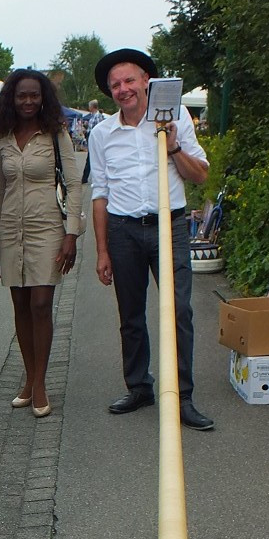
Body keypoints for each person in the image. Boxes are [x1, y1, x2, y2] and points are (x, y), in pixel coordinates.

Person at [88, 48, 213, 430]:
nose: (124, 89)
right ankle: (139, 387)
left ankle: (182, 396)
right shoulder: (102, 133)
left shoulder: (175, 119)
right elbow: (100, 193)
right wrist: (103, 250)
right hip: (124, 228)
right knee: (130, 314)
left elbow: (201, 175)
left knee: (178, 311)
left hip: (169, 225)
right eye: (115, 85)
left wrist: (172, 145)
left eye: (129, 80)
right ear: (110, 92)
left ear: (146, 81)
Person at [0, 70, 82, 417]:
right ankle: (28, 378)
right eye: (21, 95)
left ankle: (40, 382)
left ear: (44, 98)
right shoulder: (3, 136)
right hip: (11, 229)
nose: (28, 101)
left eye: (34, 95)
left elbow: (73, 184)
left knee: (41, 303)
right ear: (11, 98)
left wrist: (71, 234)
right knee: (21, 305)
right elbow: (0, 190)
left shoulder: (56, 135)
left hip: (47, 229)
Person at [81, 100, 106, 184]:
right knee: (90, 158)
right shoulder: (93, 116)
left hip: (95, 140)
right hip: (91, 138)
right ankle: (85, 178)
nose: (89, 108)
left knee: (91, 159)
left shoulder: (97, 116)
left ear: (92, 107)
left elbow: (99, 129)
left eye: (89, 106)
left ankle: (85, 178)